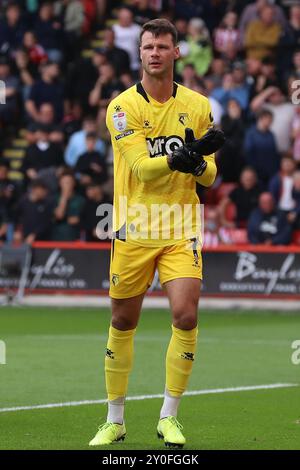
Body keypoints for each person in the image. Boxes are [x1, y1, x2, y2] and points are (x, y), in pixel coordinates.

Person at [89, 18, 218, 448]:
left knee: (186, 315)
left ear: (177, 52)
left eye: (164, 46)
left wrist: (200, 163)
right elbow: (142, 168)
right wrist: (181, 157)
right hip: (134, 225)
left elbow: (211, 177)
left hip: (181, 226)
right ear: (140, 53)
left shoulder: (199, 105)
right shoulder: (123, 107)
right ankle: (115, 419)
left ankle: (169, 416)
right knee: (123, 321)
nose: (156, 53)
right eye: (149, 47)